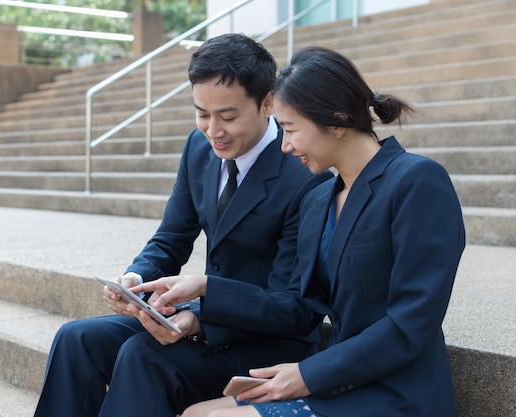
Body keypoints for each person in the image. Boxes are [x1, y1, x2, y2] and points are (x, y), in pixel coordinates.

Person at [152, 46, 466, 417]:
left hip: (397, 389)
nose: (284, 146)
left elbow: (411, 322)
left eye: (290, 129)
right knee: (195, 413)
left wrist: (308, 375)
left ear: (335, 121)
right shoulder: (318, 199)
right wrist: (203, 292)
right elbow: (301, 305)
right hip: (335, 379)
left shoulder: (416, 181)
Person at [32, 34, 332, 417]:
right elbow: (171, 238)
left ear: (268, 102)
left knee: (143, 355)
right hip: (201, 318)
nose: (213, 131)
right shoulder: (197, 148)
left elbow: (294, 308)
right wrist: (135, 279)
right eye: (202, 114)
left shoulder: (305, 176)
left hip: (266, 344)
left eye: (228, 116)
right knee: (77, 338)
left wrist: (200, 320)